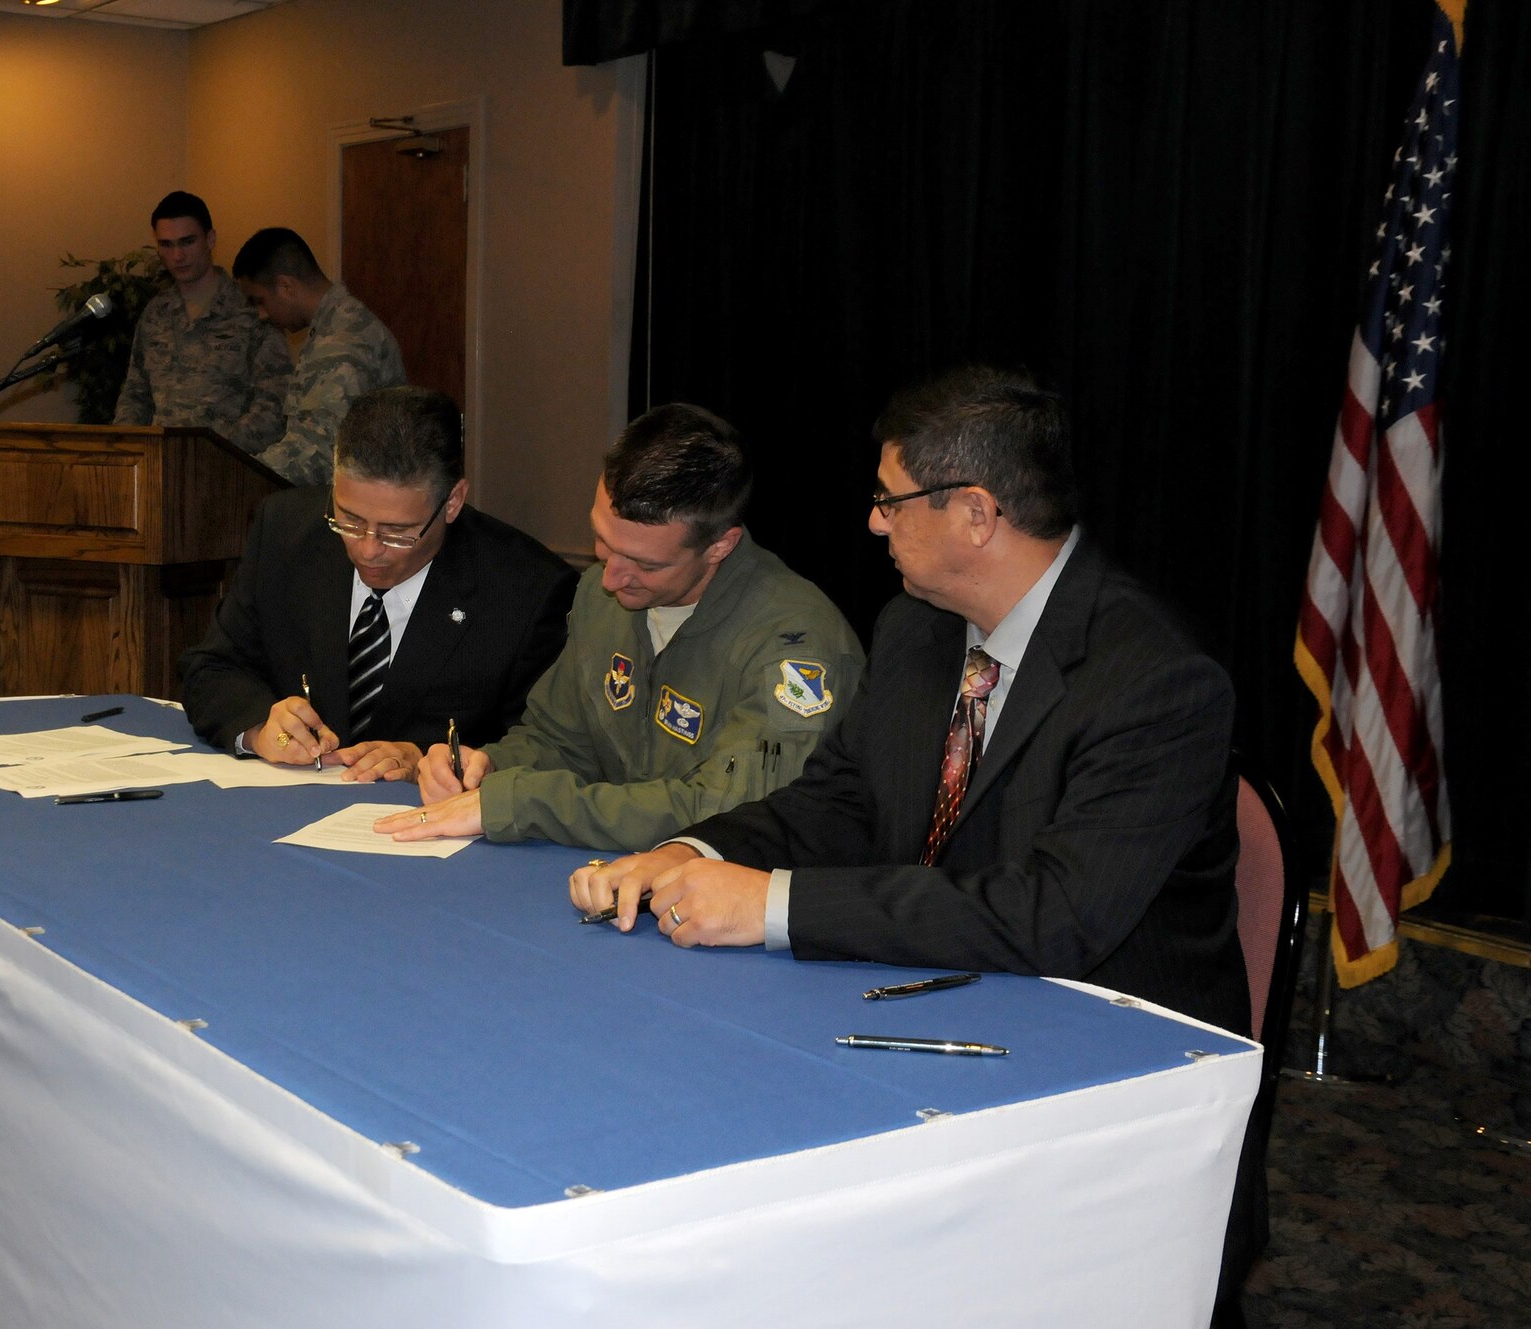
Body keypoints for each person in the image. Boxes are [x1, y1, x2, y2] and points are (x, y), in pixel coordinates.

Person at [569, 366, 1256, 1324]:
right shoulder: (915, 631)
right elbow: (836, 804)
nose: (874, 524)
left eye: (891, 501)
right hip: (928, 1018)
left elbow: (1049, 917)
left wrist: (768, 905)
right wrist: (693, 851)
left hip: (1103, 1094)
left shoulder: (1155, 682)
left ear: (975, 512)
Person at [373, 403, 864, 851]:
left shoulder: (795, 648)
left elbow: (728, 814)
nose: (610, 578)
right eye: (603, 542)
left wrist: (524, 801)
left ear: (721, 546)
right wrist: (486, 768)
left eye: (644, 564)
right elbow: (561, 740)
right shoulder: (599, 598)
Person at [180, 385, 572, 782]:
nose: (368, 550)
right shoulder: (286, 530)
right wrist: (260, 727)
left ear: (452, 502)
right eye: (348, 520)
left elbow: (549, 746)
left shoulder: (527, 590)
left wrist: (428, 761)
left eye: (398, 532)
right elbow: (211, 667)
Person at [112, 192, 291, 459]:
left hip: (229, 467)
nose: (177, 255)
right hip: (160, 467)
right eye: (167, 244)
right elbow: (136, 395)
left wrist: (212, 453)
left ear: (210, 239)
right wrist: (124, 451)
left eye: (187, 241)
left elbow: (273, 405)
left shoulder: (252, 309)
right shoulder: (155, 313)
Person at [231, 227, 406, 486]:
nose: (262, 314)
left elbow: (318, 455)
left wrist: (234, 475)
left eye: (261, 300)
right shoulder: (333, 325)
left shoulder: (341, 341)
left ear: (286, 286)